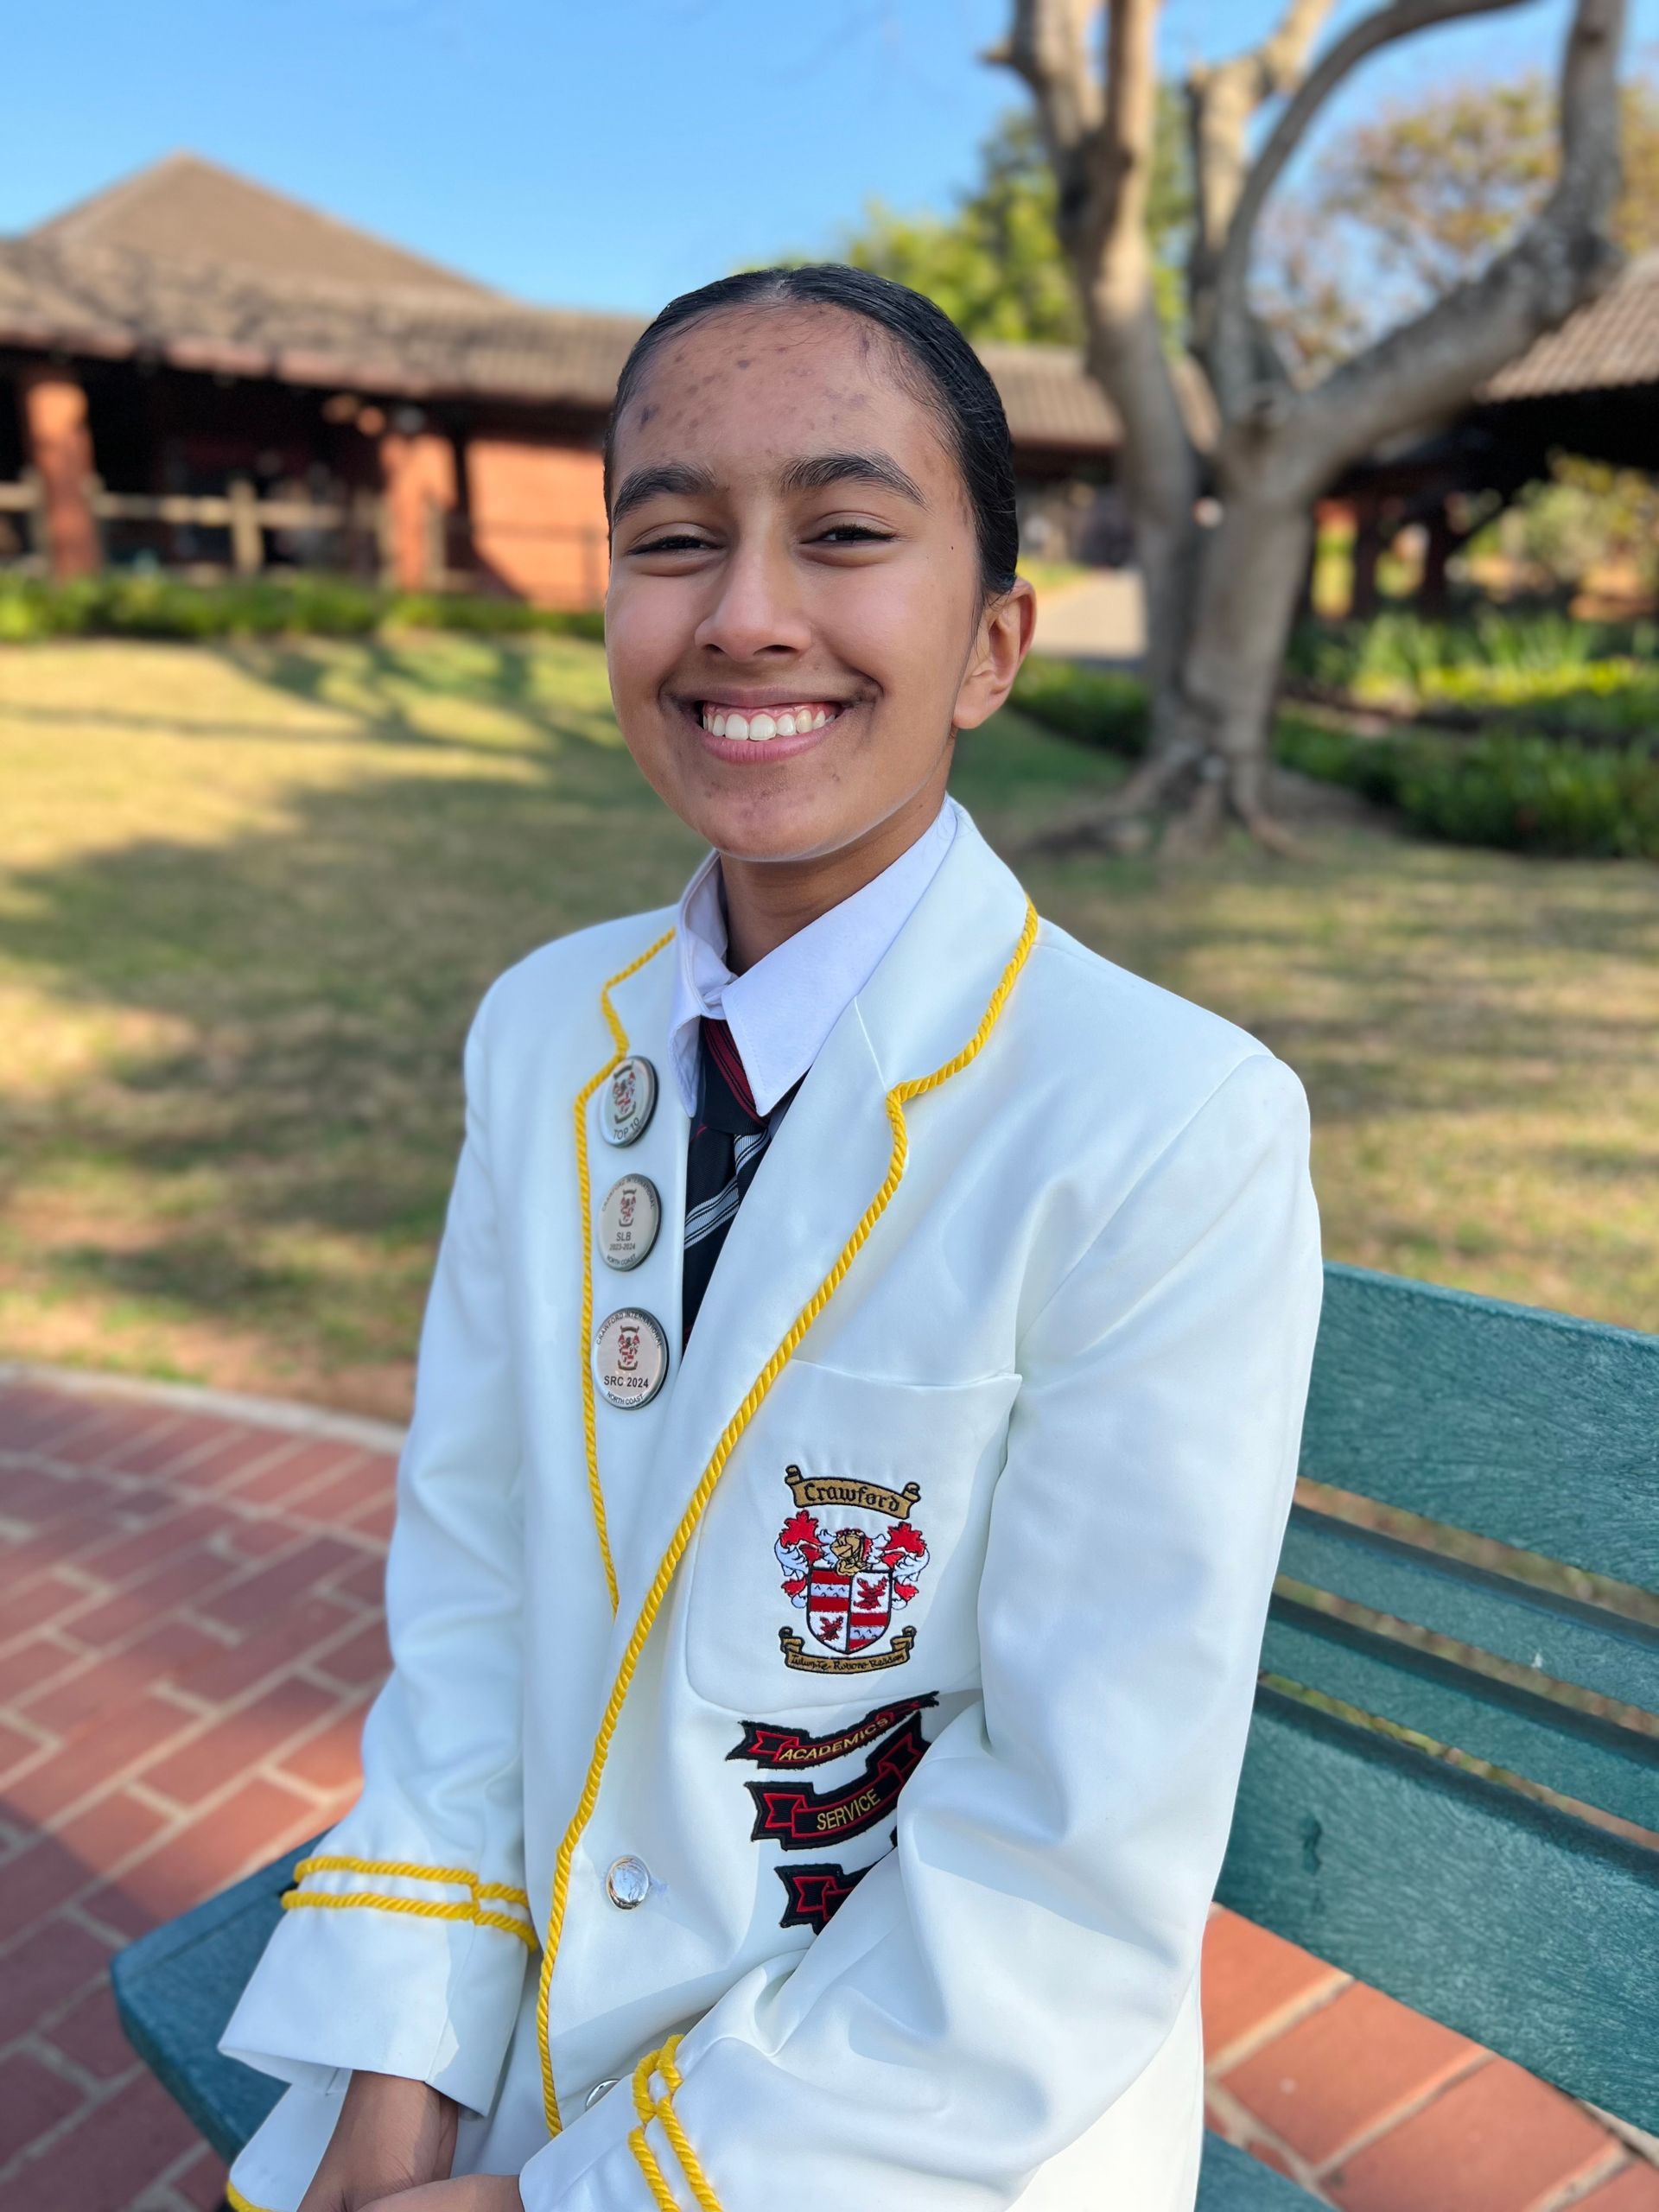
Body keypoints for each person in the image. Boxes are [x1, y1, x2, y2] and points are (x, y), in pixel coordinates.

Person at [219, 264, 1325, 2212]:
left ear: (991, 642)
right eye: (671, 538)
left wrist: (579, 2195)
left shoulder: (1167, 1125)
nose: (743, 611)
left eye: (843, 530)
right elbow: (478, 1589)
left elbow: (1070, 1852)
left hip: (912, 2123)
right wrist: (400, 2064)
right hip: (532, 2020)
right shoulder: (545, 1033)